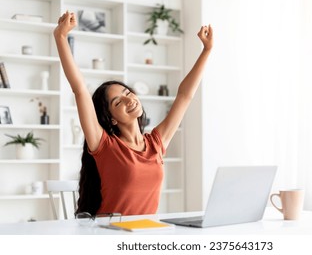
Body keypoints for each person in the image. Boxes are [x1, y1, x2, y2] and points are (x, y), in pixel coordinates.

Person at [53, 11, 213, 216]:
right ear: (110, 117)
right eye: (118, 101)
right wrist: (60, 36)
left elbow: (184, 96)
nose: (130, 99)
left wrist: (206, 50)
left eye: (128, 92)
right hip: (109, 235)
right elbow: (79, 89)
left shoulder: (156, 143)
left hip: (146, 234)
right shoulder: (105, 146)